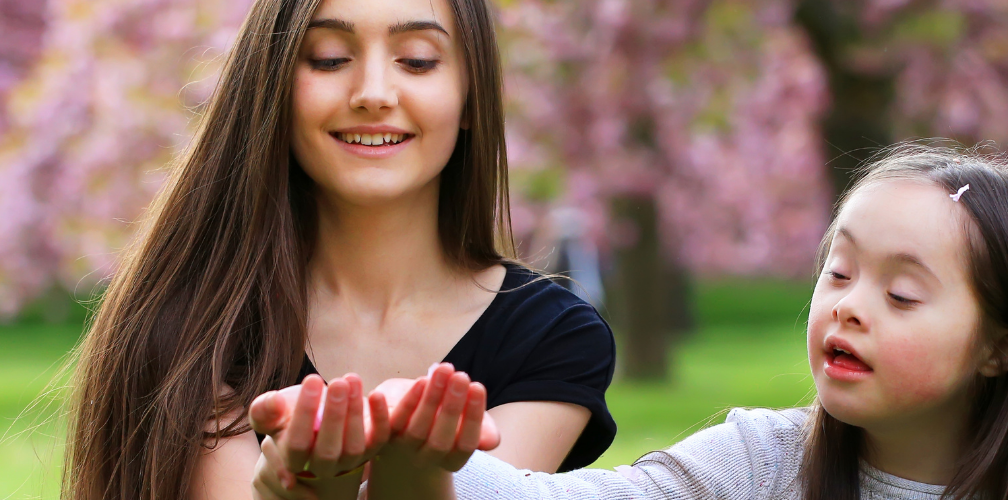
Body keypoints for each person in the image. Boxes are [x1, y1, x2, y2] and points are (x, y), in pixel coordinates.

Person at [253, 141, 1008, 500]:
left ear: (1002, 346)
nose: (850, 307)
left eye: (902, 295)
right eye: (839, 271)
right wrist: (401, 426)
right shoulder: (763, 464)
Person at [60, 0, 616, 498]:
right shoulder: (195, 322)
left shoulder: (552, 337)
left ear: (471, 99)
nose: (373, 93)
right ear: (273, 88)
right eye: (328, 58)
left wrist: (410, 472)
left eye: (417, 60)